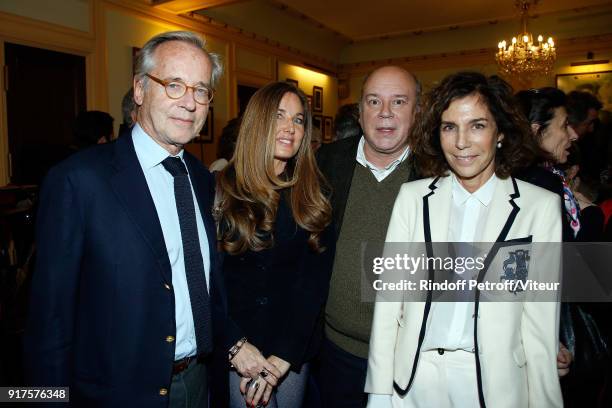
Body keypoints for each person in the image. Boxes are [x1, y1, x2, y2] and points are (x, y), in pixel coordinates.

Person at [25, 31, 227, 407]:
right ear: (139, 89)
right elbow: (48, 323)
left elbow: (205, 286)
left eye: (201, 90)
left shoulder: (200, 179)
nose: (189, 102)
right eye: (174, 85)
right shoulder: (78, 181)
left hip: (199, 382)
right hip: (115, 393)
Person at [366, 72, 563, 407]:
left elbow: (540, 325)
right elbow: (389, 302)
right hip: (414, 383)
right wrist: (380, 392)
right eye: (449, 127)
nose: (461, 142)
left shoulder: (538, 209)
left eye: (477, 125)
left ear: (500, 132)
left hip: (493, 387)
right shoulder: (413, 199)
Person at [216, 81, 335, 407]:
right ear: (258, 120)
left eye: (298, 120)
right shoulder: (221, 191)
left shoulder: (314, 195)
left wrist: (286, 354)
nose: (290, 128)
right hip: (238, 351)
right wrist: (235, 345)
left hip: (291, 351)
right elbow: (207, 284)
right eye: (279, 116)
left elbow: (313, 283)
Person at [315, 66, 420, 407]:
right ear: (360, 112)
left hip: (408, 359)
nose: (385, 112)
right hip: (333, 355)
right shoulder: (326, 163)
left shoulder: (438, 173)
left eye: (399, 101)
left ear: (417, 112)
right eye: (374, 101)